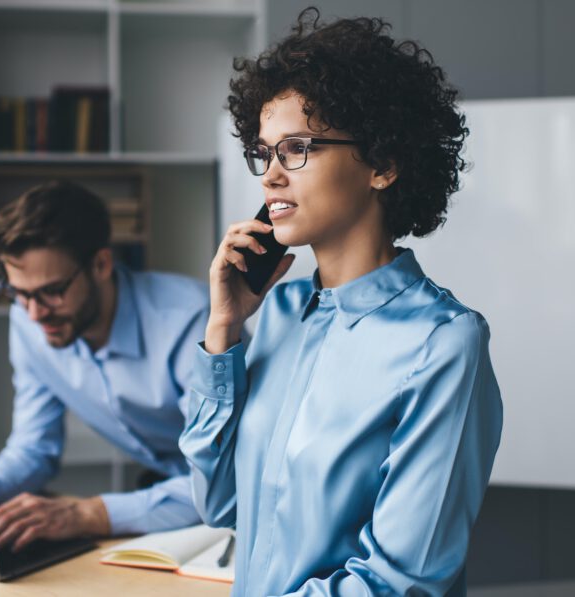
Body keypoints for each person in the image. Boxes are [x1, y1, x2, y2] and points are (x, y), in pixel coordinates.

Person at [178, 8, 503, 596]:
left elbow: (398, 582)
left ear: (382, 163)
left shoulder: (443, 344)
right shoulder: (274, 315)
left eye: (297, 148)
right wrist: (223, 329)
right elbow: (220, 504)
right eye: (265, 152)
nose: (271, 176)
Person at [0, 181, 209, 552]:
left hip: (234, 502)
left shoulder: (192, 322)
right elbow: (33, 448)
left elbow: (221, 480)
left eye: (51, 291)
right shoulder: (28, 319)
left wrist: (84, 515)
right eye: (19, 293)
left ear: (101, 264)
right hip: (169, 500)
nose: (35, 313)